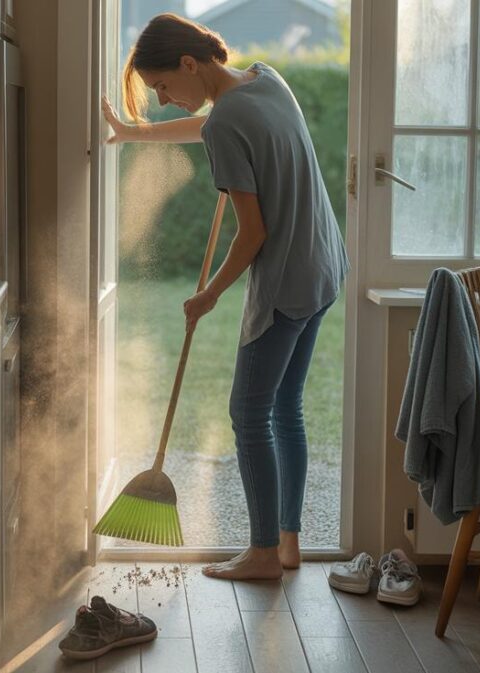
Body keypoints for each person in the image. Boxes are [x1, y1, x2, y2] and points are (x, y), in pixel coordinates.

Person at [104, 13, 349, 580]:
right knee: (287, 407)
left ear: (190, 64)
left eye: (163, 85)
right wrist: (135, 134)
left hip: (287, 280)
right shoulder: (267, 80)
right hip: (324, 266)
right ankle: (287, 544)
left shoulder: (223, 125)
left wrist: (208, 294)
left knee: (248, 412)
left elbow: (253, 233)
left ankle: (262, 553)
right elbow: (215, 124)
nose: (162, 100)